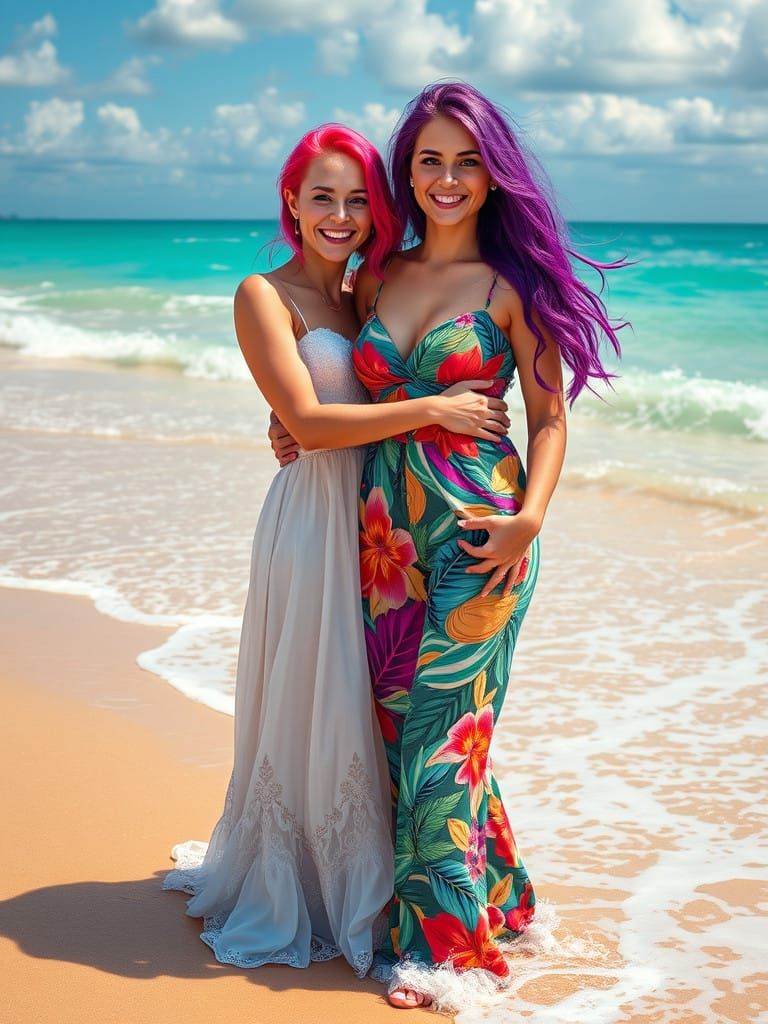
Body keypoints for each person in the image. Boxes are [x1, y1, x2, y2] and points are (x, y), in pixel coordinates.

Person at [272, 83, 624, 1011]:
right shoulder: (377, 275)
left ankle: (444, 955)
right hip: (382, 539)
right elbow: (337, 389)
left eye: (466, 161)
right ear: (409, 171)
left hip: (482, 533)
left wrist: (530, 519)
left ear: (493, 174)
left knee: (439, 738)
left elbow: (549, 419)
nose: (448, 178)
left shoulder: (514, 287)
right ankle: (506, 898)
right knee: (414, 734)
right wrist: (288, 426)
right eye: (429, 160)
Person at [162, 123, 512, 980]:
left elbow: (359, 388)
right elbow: (316, 423)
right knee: (318, 700)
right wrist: (430, 411)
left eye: (357, 199)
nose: (341, 214)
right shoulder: (262, 293)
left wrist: (311, 419)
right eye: (322, 196)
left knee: (383, 712)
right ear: (291, 201)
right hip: (312, 523)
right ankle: (315, 885)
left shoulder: (364, 292)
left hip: (380, 522)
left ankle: (437, 886)